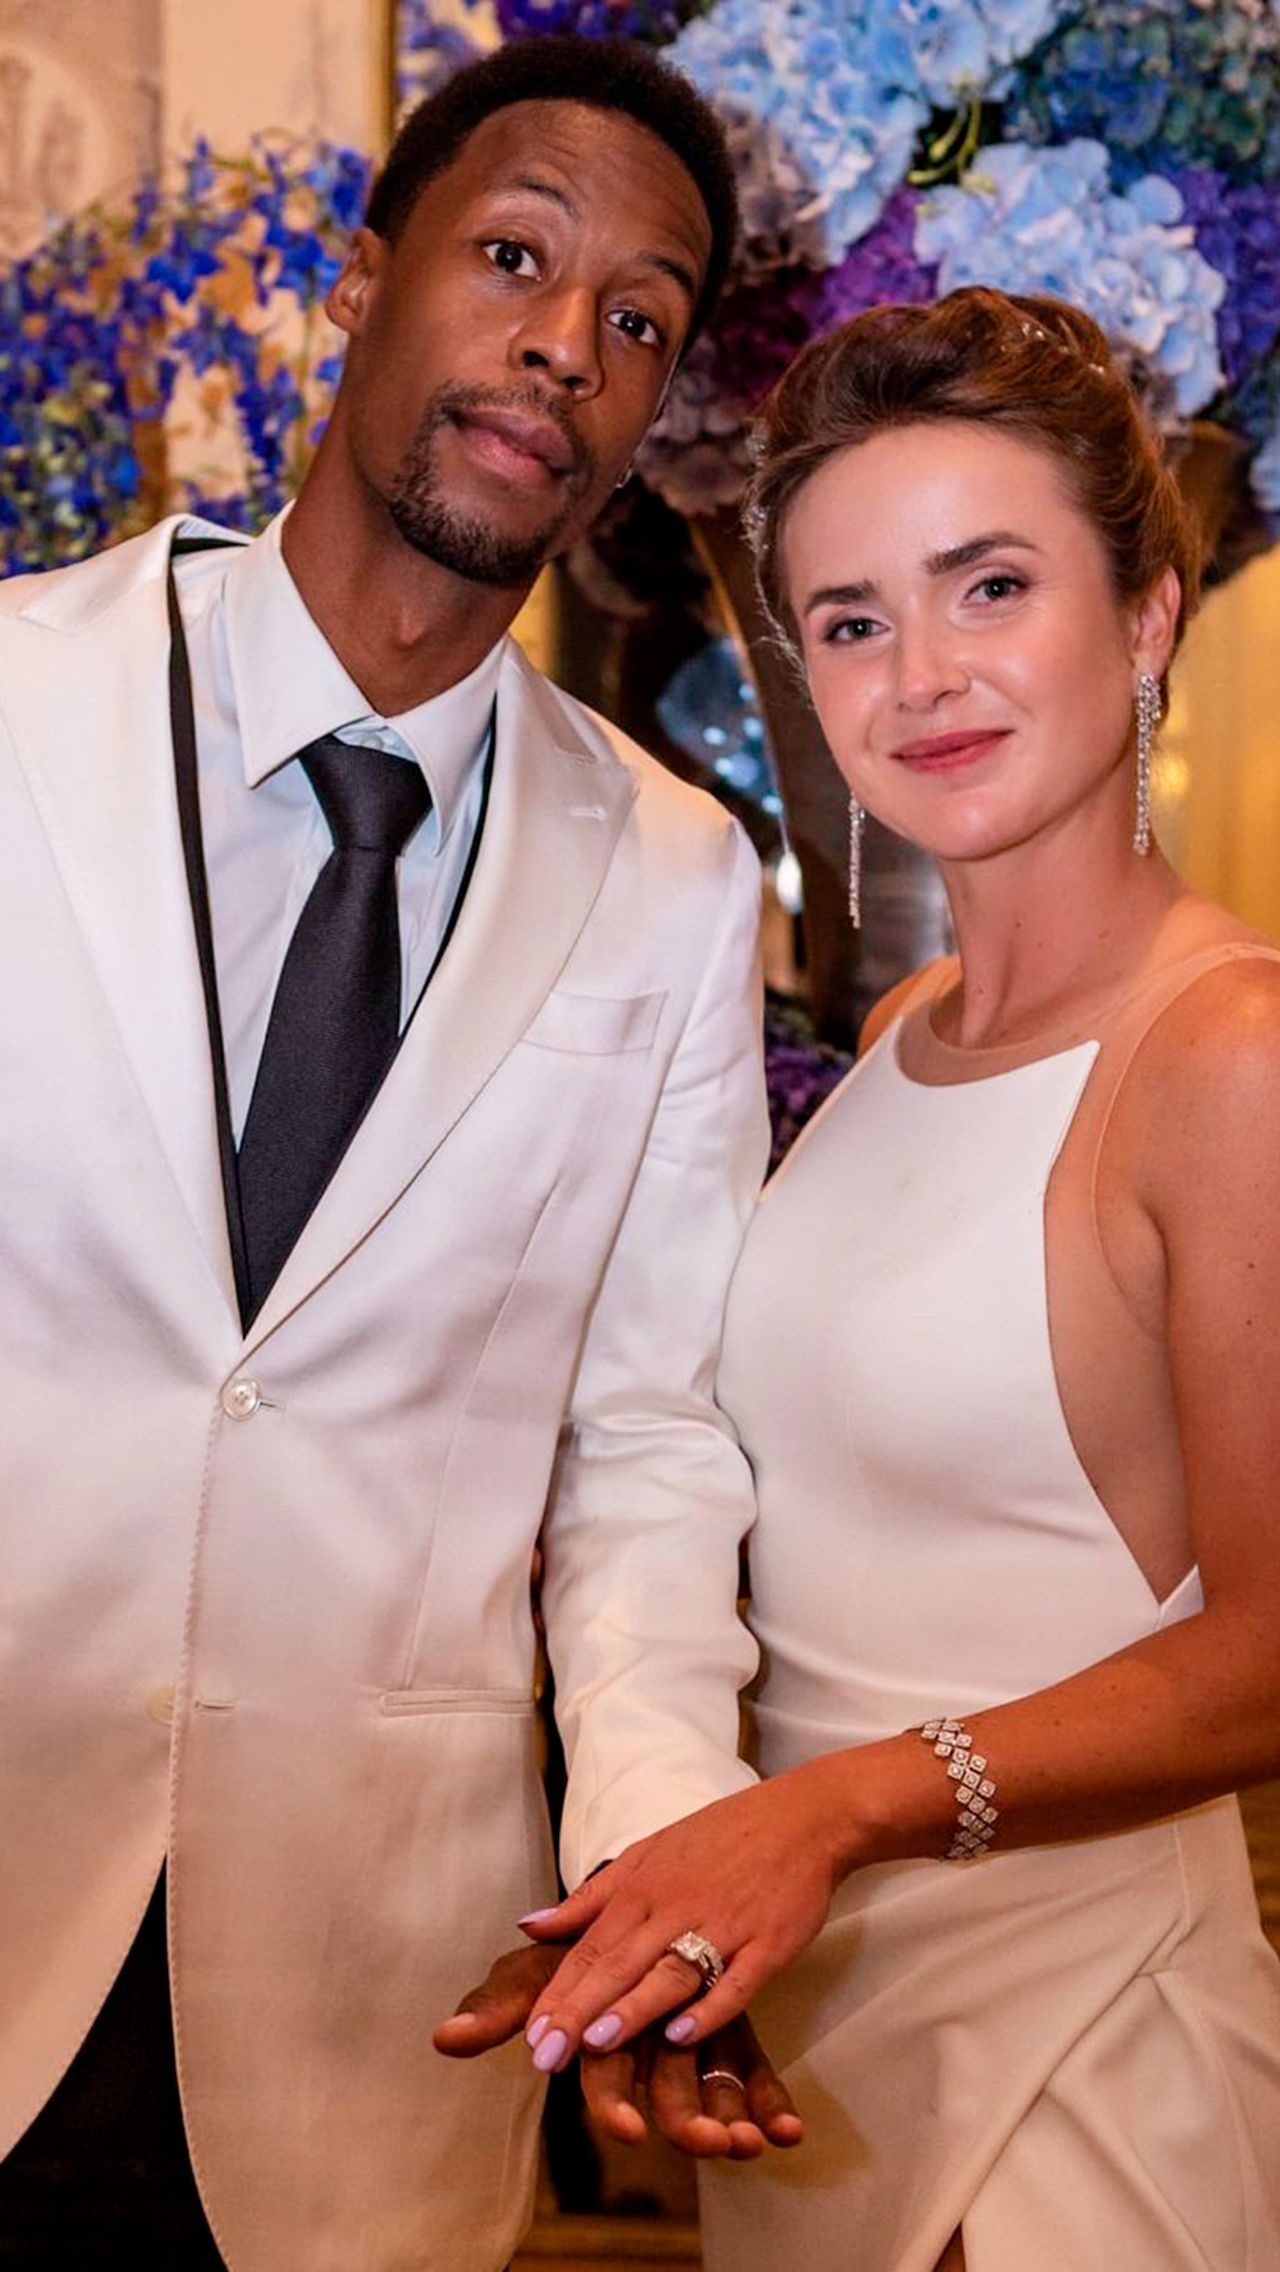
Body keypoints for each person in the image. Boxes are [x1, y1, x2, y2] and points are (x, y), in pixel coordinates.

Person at [0, 36, 799, 2272]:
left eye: (637, 319)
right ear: (365, 280)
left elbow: (646, 1446)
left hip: (365, 2014)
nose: (567, 344)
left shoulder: (674, 878)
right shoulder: (15, 704)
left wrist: (653, 1841)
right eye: (516, 257)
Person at [510, 288, 1280, 2270]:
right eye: (849, 621)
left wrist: (833, 1810)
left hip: (1073, 2050)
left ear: (1146, 616)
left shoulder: (1231, 1057)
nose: (919, 674)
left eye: (988, 585)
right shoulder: (902, 1031)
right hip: (818, 2029)